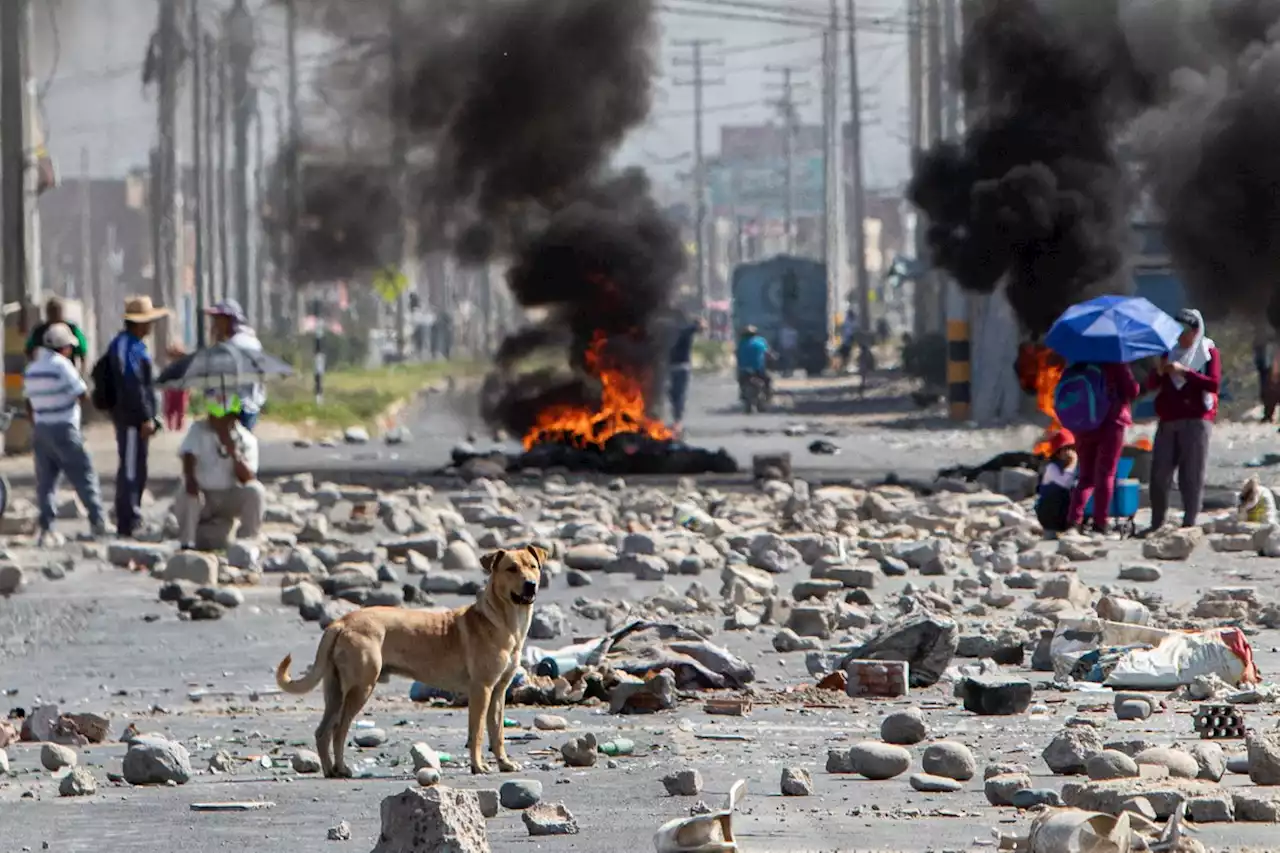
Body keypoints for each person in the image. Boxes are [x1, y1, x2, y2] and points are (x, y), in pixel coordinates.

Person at [24, 323, 107, 544]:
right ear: (63, 348)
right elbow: (81, 393)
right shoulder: (62, 366)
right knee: (84, 474)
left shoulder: (32, 369)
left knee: (46, 482)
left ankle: (46, 528)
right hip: (64, 427)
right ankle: (98, 522)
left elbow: (28, 403)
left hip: (41, 430)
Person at [1142, 308, 1221, 534]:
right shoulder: (1169, 352)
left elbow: (1213, 384)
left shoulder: (1208, 352)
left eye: (1186, 331)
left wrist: (1185, 372)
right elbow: (1152, 385)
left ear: (1196, 331)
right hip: (1168, 419)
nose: (1181, 337)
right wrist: (1158, 371)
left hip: (1196, 420)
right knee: (1159, 473)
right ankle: (1156, 522)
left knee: (1192, 473)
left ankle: (1189, 523)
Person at [98, 295, 170, 539]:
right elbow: (133, 385)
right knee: (130, 468)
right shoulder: (128, 347)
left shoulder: (131, 345)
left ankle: (131, 515)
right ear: (139, 324)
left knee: (138, 466)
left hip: (132, 418)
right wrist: (145, 416)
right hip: (131, 419)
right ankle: (128, 519)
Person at [175, 391, 265, 551]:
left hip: (229, 495)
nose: (212, 419)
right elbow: (188, 454)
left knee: (256, 491)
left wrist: (233, 451)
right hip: (204, 496)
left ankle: (247, 543)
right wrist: (191, 479)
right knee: (185, 492)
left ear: (232, 417)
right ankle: (187, 543)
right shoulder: (198, 430)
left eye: (219, 416)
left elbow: (248, 477)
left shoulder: (246, 439)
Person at [1061, 361, 1141, 535]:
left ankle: (1074, 520)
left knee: (1085, 476)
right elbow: (1132, 391)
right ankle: (1100, 522)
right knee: (1106, 473)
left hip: (1083, 424)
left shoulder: (1077, 361)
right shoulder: (1115, 361)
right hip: (1111, 423)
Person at [206, 299, 267, 431]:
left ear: (229, 320)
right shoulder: (247, 339)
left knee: (232, 445)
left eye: (218, 320)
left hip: (237, 406)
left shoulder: (236, 344)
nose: (215, 325)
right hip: (247, 403)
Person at [667, 315, 706, 439]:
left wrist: (700, 322)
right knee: (675, 394)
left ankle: (677, 421)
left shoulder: (680, 330)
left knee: (676, 394)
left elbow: (700, 327)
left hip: (678, 367)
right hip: (675, 367)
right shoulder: (676, 331)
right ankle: (676, 419)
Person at [1035, 429, 1078, 538]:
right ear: (1058, 452)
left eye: (1072, 449)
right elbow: (1063, 483)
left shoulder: (1074, 468)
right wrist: (1073, 463)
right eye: (1066, 449)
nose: (1070, 452)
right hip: (1050, 513)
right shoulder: (1051, 467)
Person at [25, 296, 88, 367]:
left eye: (56, 310)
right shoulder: (39, 331)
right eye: (52, 311)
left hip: (66, 369)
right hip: (45, 369)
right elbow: (29, 350)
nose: (54, 314)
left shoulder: (71, 328)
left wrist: (81, 373)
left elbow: (82, 350)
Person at [736, 325, 770, 393]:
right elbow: (767, 353)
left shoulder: (741, 343)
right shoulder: (761, 341)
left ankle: (743, 392)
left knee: (741, 379)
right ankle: (767, 393)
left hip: (744, 369)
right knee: (767, 380)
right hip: (758, 368)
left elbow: (737, 353)